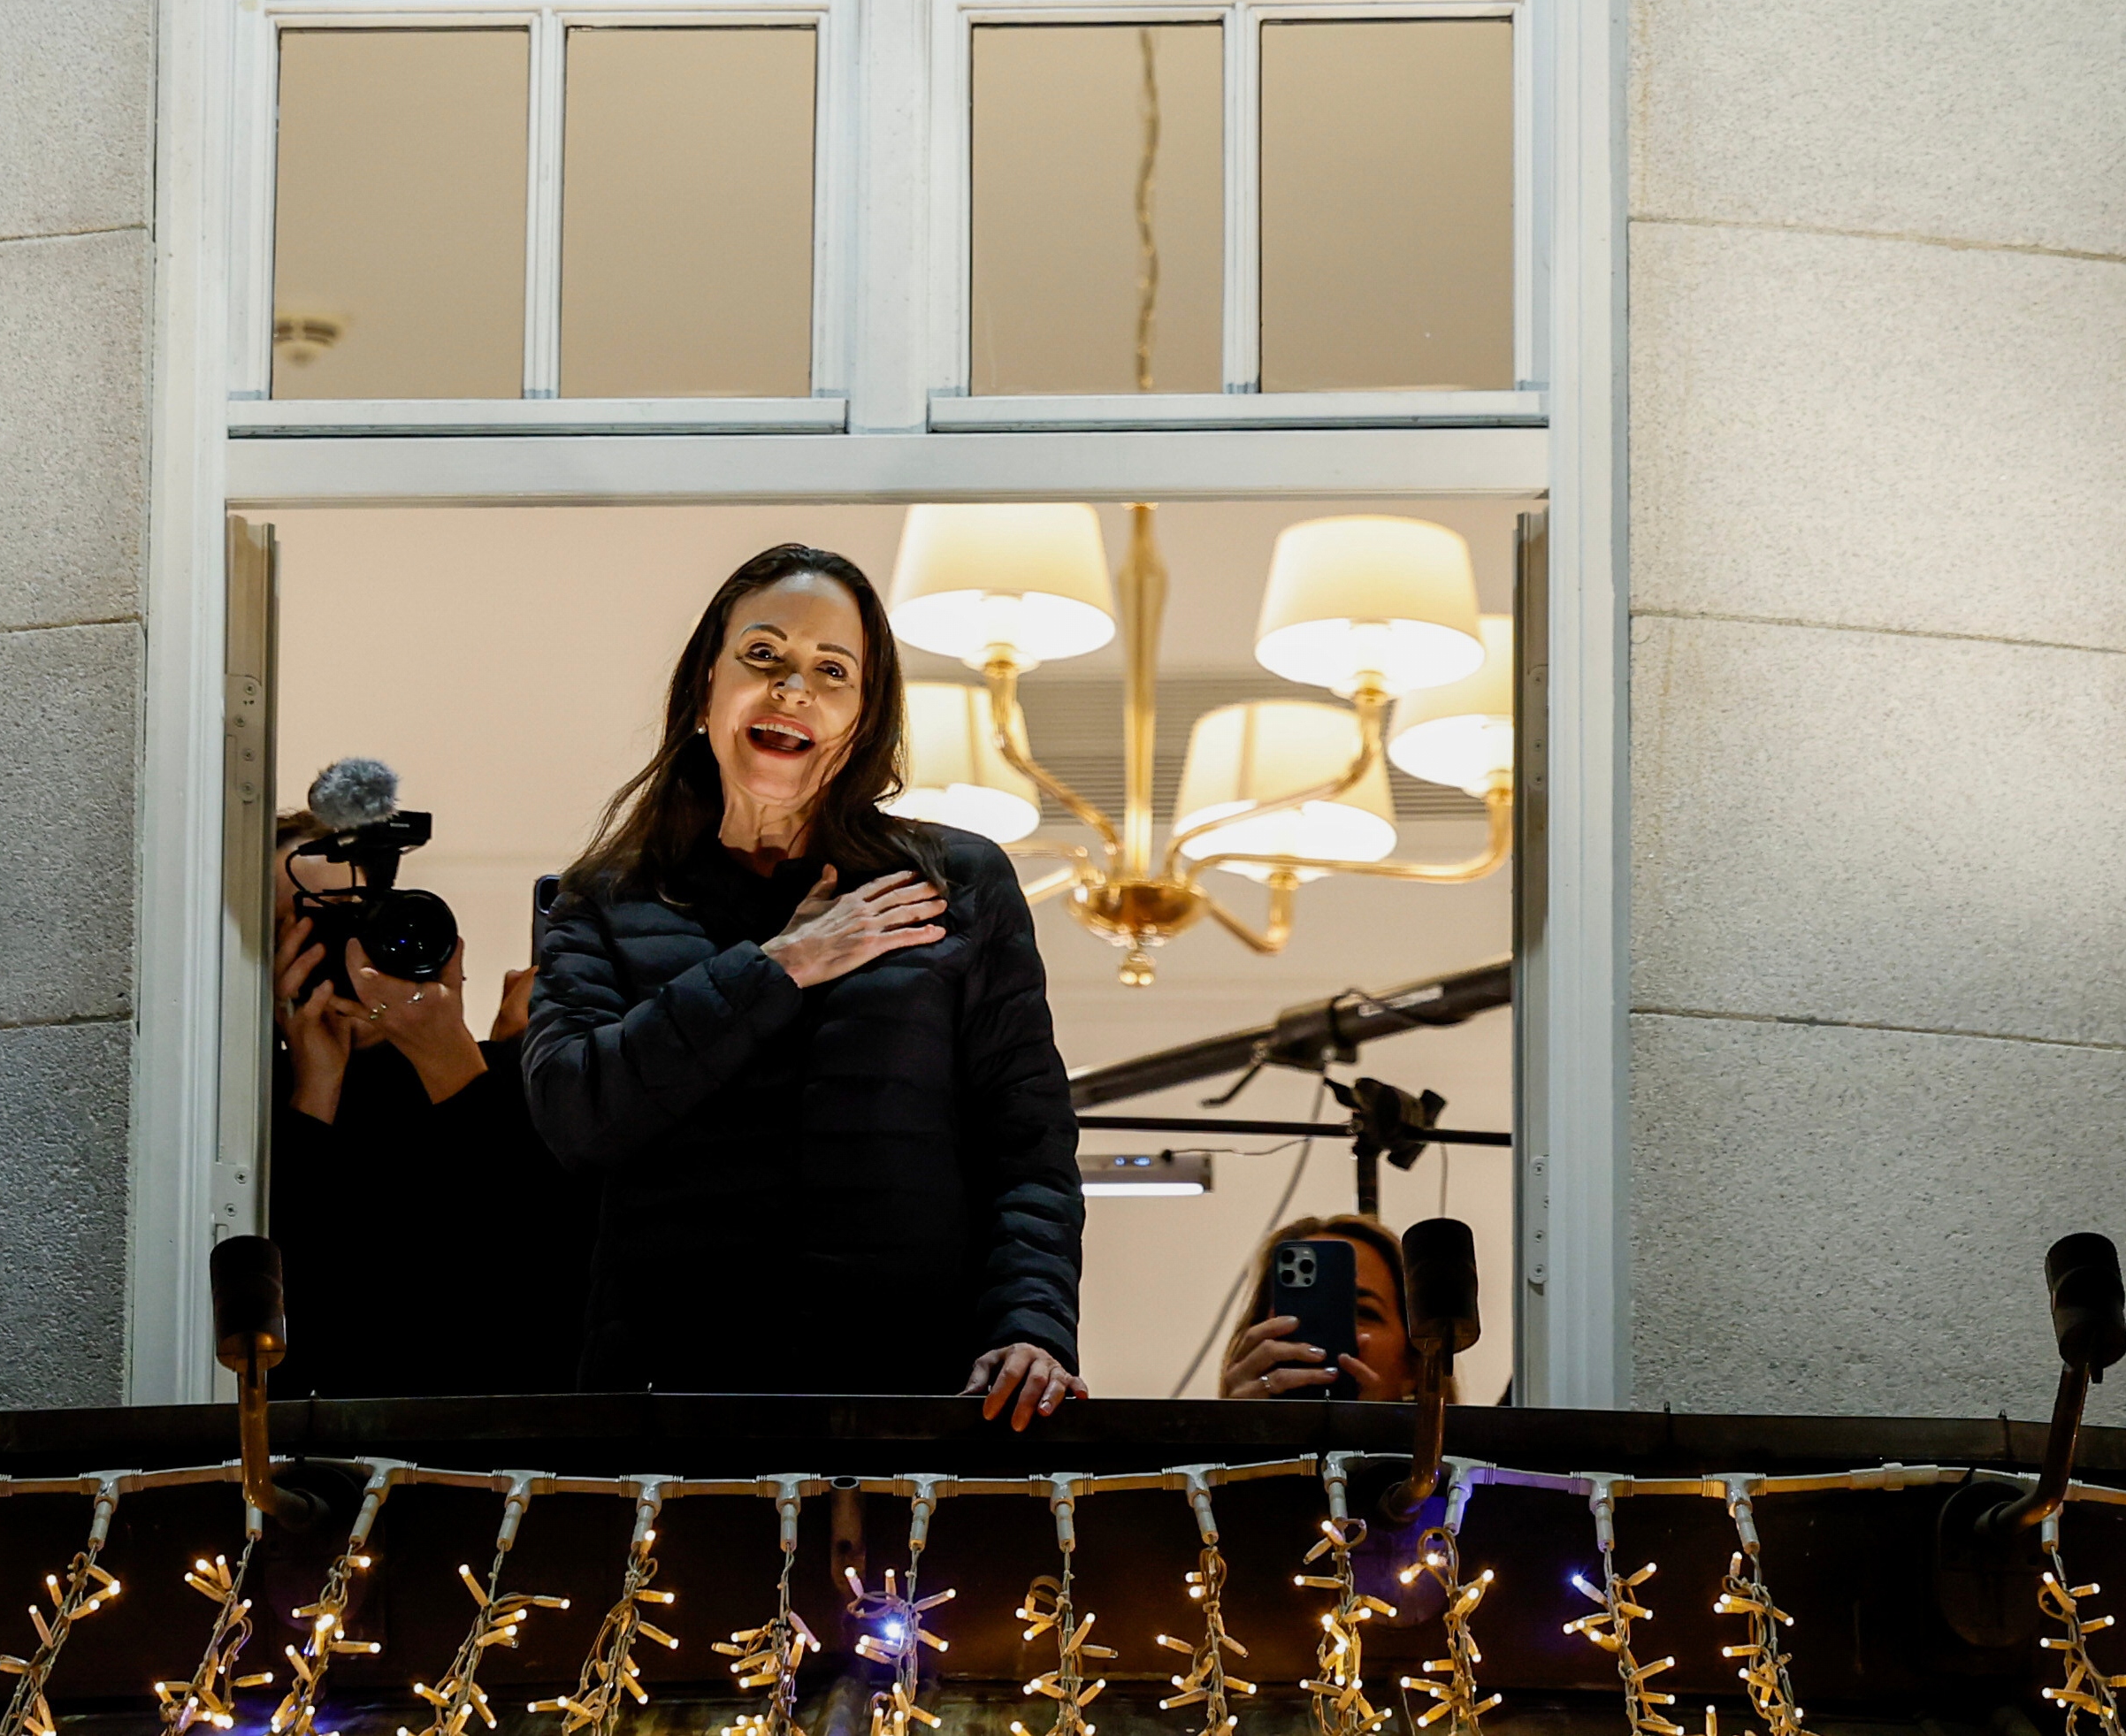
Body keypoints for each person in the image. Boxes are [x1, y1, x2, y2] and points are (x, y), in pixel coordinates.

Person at [521, 541, 1085, 1421]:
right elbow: (575, 1114)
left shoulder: (958, 881)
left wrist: (1032, 1326)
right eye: (763, 654)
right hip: (669, 1402)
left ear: (861, 717)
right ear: (707, 680)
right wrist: (781, 963)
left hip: (916, 1395)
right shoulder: (596, 898)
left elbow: (1028, 1145)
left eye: (832, 670)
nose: (792, 688)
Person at [267, 814, 596, 1396]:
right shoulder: (248, 1112)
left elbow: (550, 1273)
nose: (341, 943)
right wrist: (313, 1084)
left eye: (354, 911)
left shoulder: (495, 1078)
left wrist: (454, 1055)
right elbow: (287, 1309)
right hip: (327, 1455)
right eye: (311, 922)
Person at [1217, 1211, 1422, 1400]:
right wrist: (1241, 1426)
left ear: (1413, 1365)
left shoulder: (1446, 1439)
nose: (1330, 1328)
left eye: (1363, 1312)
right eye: (1300, 1312)